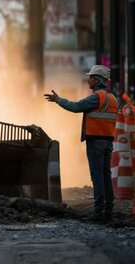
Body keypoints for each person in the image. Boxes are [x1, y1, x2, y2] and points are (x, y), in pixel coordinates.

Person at [44, 64, 118, 222]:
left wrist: (58, 100)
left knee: (97, 177)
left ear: (97, 80)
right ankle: (108, 211)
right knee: (106, 176)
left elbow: (76, 107)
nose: (88, 80)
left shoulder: (96, 97)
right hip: (108, 142)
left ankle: (99, 213)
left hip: (95, 141)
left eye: (91, 77)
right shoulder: (113, 98)